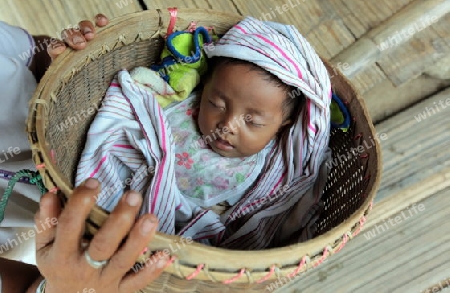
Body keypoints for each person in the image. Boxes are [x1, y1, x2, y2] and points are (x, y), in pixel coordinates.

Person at [75, 16, 334, 249]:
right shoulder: (182, 104)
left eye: (252, 121)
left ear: (283, 126)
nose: (228, 125)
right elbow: (141, 98)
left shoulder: (268, 170)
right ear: (203, 88)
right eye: (216, 104)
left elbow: (255, 215)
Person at [0, 15, 169, 293]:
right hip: (72, 234)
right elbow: (22, 286)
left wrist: (62, 64)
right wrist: (63, 287)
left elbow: (32, 55)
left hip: (89, 121)